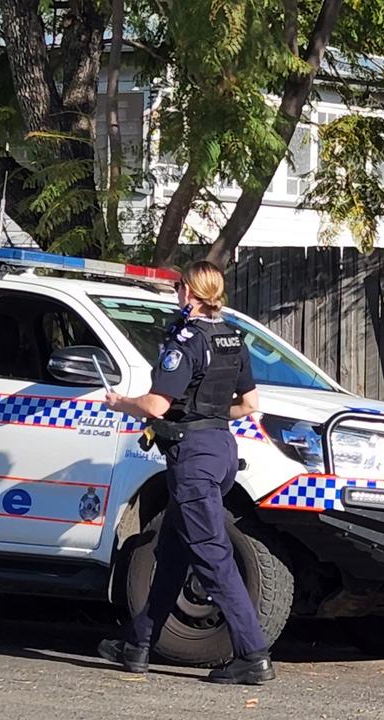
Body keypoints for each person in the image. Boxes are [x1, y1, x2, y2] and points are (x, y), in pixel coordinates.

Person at [97, 261, 274, 685]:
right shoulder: (234, 338)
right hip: (221, 448)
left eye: (179, 287)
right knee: (172, 552)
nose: (176, 293)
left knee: (212, 555)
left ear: (190, 292)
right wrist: (207, 415)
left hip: (193, 458)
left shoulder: (188, 340)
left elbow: (157, 406)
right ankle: (139, 645)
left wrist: (120, 402)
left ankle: (253, 655)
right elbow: (249, 405)